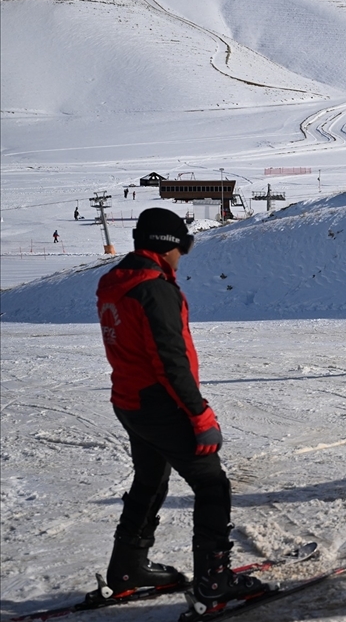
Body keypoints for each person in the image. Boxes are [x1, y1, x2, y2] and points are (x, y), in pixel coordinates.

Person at [96, 208, 266, 613]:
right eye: (182, 247)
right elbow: (170, 361)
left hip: (130, 400)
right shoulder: (153, 289)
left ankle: (127, 568)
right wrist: (199, 414)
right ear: (167, 245)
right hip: (161, 404)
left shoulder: (117, 281)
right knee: (211, 484)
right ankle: (214, 581)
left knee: (150, 479)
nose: (182, 256)